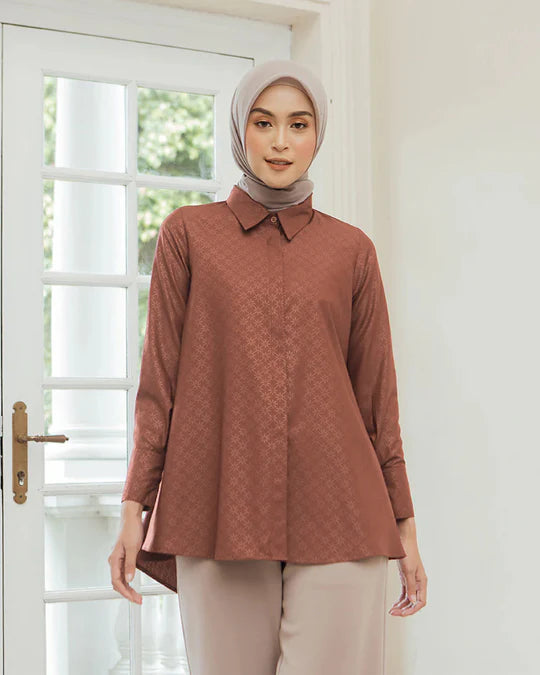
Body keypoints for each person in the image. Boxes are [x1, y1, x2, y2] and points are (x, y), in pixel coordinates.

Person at [109, 58, 427, 674]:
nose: (281, 141)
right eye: (264, 123)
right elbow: (159, 388)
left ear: (317, 134)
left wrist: (405, 528)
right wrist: (134, 508)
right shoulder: (188, 235)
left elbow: (376, 403)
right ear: (240, 130)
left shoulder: (352, 250)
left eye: (298, 124)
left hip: (342, 510)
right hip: (217, 505)